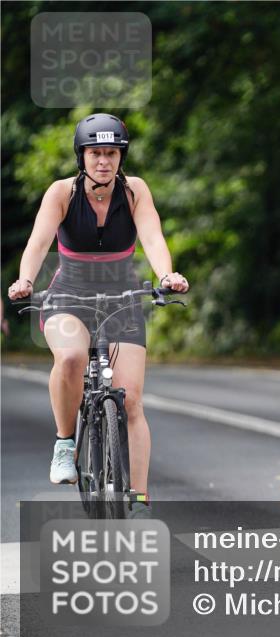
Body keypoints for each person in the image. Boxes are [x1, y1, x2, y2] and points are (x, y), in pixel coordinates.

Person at [6, 113, 189, 518]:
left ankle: (138, 500)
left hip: (122, 296)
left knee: (132, 401)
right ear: (82, 157)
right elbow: (38, 242)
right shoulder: (62, 193)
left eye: (111, 153)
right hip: (68, 294)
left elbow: (153, 235)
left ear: (121, 156)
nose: (103, 161)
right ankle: (65, 443)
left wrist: (166, 274)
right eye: (95, 153)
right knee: (70, 357)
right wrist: (24, 280)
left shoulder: (135, 191)